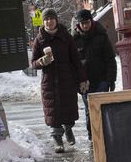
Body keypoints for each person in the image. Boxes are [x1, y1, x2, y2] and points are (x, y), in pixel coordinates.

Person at [31, 8, 88, 153]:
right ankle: (57, 140)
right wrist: (42, 62)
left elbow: (75, 59)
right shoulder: (40, 39)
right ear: (43, 22)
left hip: (66, 79)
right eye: (46, 19)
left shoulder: (66, 36)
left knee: (68, 110)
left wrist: (82, 79)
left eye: (51, 19)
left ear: (56, 20)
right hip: (49, 81)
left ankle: (68, 129)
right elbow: (33, 63)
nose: (49, 22)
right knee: (53, 111)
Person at [72, 8, 117, 141]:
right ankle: (93, 137)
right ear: (78, 24)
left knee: (102, 109)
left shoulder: (101, 36)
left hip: (102, 80)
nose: (85, 25)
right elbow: (72, 64)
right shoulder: (74, 40)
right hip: (85, 82)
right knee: (89, 111)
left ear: (91, 21)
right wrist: (77, 83)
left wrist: (110, 80)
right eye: (82, 23)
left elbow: (110, 59)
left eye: (87, 22)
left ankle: (105, 136)